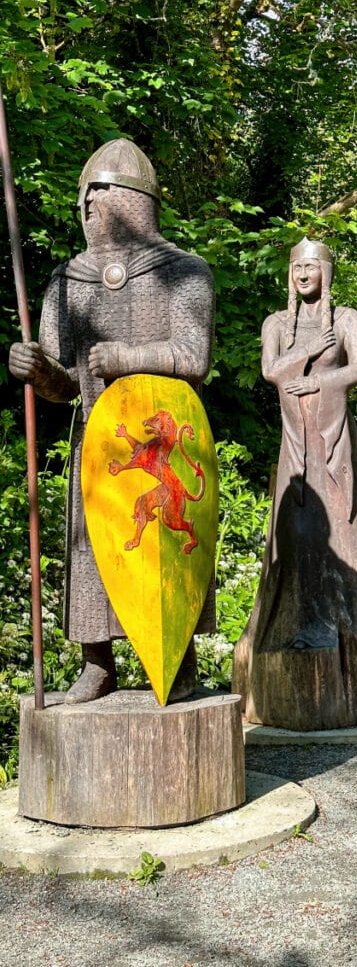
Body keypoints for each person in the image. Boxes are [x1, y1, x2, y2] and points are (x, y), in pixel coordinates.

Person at [9, 139, 215, 703]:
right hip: (100, 444)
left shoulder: (184, 272)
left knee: (167, 546)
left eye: (96, 201)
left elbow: (194, 358)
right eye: (87, 203)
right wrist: (36, 369)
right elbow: (62, 385)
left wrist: (126, 356)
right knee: (90, 548)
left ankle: (178, 656)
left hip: (163, 442)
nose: (89, 213)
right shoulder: (68, 282)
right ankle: (97, 663)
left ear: (119, 200)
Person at [232, 237, 357, 729]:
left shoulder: (347, 319)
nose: (303, 274)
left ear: (327, 273)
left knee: (345, 529)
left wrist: (319, 381)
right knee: (298, 534)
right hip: (295, 444)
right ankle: (297, 621)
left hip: (335, 441)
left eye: (311, 266)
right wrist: (310, 351)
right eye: (297, 267)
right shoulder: (277, 323)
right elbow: (271, 371)